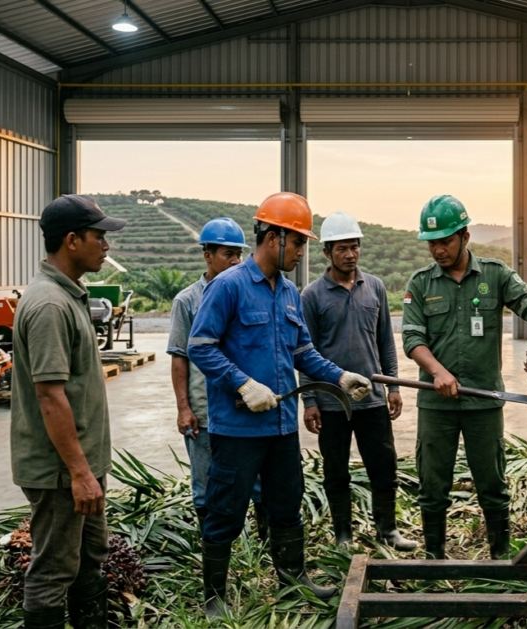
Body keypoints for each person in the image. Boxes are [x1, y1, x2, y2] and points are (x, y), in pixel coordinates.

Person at [188, 192, 372, 617]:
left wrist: (339, 376)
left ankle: (293, 579)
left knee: (286, 505)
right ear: (274, 238)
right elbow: (200, 346)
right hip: (238, 430)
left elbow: (303, 352)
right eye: (300, 242)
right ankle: (214, 597)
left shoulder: (289, 293)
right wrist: (242, 383)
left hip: (282, 427)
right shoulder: (228, 286)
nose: (304, 252)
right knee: (224, 513)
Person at [401, 194, 527, 560]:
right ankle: (435, 559)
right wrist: (437, 371)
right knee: (433, 483)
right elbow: (412, 337)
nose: (438, 250)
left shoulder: (495, 274)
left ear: (465, 235)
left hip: (483, 402)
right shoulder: (422, 283)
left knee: (491, 482)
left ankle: (500, 557)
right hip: (436, 403)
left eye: (445, 241)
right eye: (432, 243)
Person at [10, 195, 126, 629]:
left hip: (80, 467)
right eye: (99, 236)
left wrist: (88, 470)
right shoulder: (49, 306)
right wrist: (78, 472)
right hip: (61, 471)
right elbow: (49, 397)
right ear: (72, 240)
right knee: (54, 567)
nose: (106, 245)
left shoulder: (67, 295)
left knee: (89, 556)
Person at [300, 212, 417, 551]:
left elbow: (385, 343)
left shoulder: (375, 288)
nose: (350, 254)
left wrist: (393, 388)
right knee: (336, 471)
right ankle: (343, 536)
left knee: (384, 465)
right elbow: (304, 351)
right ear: (327, 252)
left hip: (372, 399)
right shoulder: (312, 296)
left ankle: (388, 530)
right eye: (342, 249)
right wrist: (310, 402)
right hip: (331, 400)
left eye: (354, 247)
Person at [166, 216, 266, 540]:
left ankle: (264, 545)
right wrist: (184, 408)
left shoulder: (249, 293)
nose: (236, 260)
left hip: (244, 407)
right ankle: (213, 548)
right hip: (205, 411)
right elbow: (180, 357)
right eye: (227, 254)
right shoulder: (188, 300)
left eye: (239, 254)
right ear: (207, 255)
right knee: (206, 485)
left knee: (258, 482)